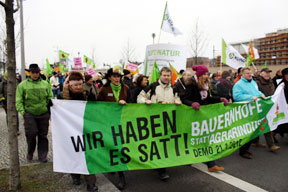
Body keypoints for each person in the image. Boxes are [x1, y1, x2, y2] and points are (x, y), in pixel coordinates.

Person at [137, 67, 182, 180]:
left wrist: (178, 102)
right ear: (160, 75)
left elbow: (177, 99)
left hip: (168, 121)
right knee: (156, 144)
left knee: (165, 144)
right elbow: (140, 97)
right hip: (154, 120)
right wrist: (146, 101)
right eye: (164, 75)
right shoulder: (152, 86)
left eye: (168, 75)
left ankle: (161, 166)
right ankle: (161, 169)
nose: (166, 77)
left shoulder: (174, 88)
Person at [182, 65, 227, 172]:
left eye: (207, 74)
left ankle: (211, 164)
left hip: (202, 116)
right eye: (205, 74)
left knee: (205, 139)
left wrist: (220, 99)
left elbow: (208, 99)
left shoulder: (206, 85)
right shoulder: (192, 85)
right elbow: (184, 99)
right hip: (193, 116)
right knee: (192, 139)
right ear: (199, 75)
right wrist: (192, 103)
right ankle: (189, 158)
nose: (207, 76)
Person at [61, 71, 98, 192]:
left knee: (88, 155)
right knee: (74, 154)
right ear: (70, 85)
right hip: (69, 131)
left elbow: (94, 110)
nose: (78, 87)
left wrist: (93, 100)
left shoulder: (86, 95)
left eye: (79, 84)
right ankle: (75, 174)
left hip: (85, 129)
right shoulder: (62, 97)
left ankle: (91, 182)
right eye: (75, 85)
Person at [97, 66, 129, 190]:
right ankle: (113, 166)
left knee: (119, 148)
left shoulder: (126, 88)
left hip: (122, 123)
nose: (117, 78)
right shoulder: (104, 89)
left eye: (118, 76)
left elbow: (132, 103)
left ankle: (121, 175)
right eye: (114, 76)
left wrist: (125, 104)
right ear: (109, 77)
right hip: (108, 123)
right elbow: (98, 105)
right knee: (111, 147)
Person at [16, 64, 53, 163]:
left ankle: (42, 155)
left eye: (37, 72)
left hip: (43, 114)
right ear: (30, 73)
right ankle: (30, 152)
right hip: (29, 114)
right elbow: (18, 100)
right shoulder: (22, 85)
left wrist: (48, 107)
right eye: (33, 72)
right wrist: (23, 112)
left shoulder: (45, 84)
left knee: (43, 135)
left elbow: (50, 96)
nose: (35, 74)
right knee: (31, 134)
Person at [232, 67, 265, 159]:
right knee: (246, 132)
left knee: (253, 131)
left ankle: (247, 148)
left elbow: (256, 92)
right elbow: (237, 97)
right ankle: (242, 151)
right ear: (242, 75)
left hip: (254, 110)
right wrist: (251, 97)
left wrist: (260, 94)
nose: (250, 74)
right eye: (247, 73)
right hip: (245, 112)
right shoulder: (238, 85)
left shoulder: (253, 82)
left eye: (250, 73)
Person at [254, 68, 280, 151]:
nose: (268, 74)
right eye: (266, 73)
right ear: (261, 74)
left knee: (259, 125)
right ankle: (271, 145)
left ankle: (255, 141)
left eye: (269, 73)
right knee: (265, 124)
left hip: (270, 105)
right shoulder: (257, 83)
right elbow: (256, 93)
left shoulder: (271, 81)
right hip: (261, 106)